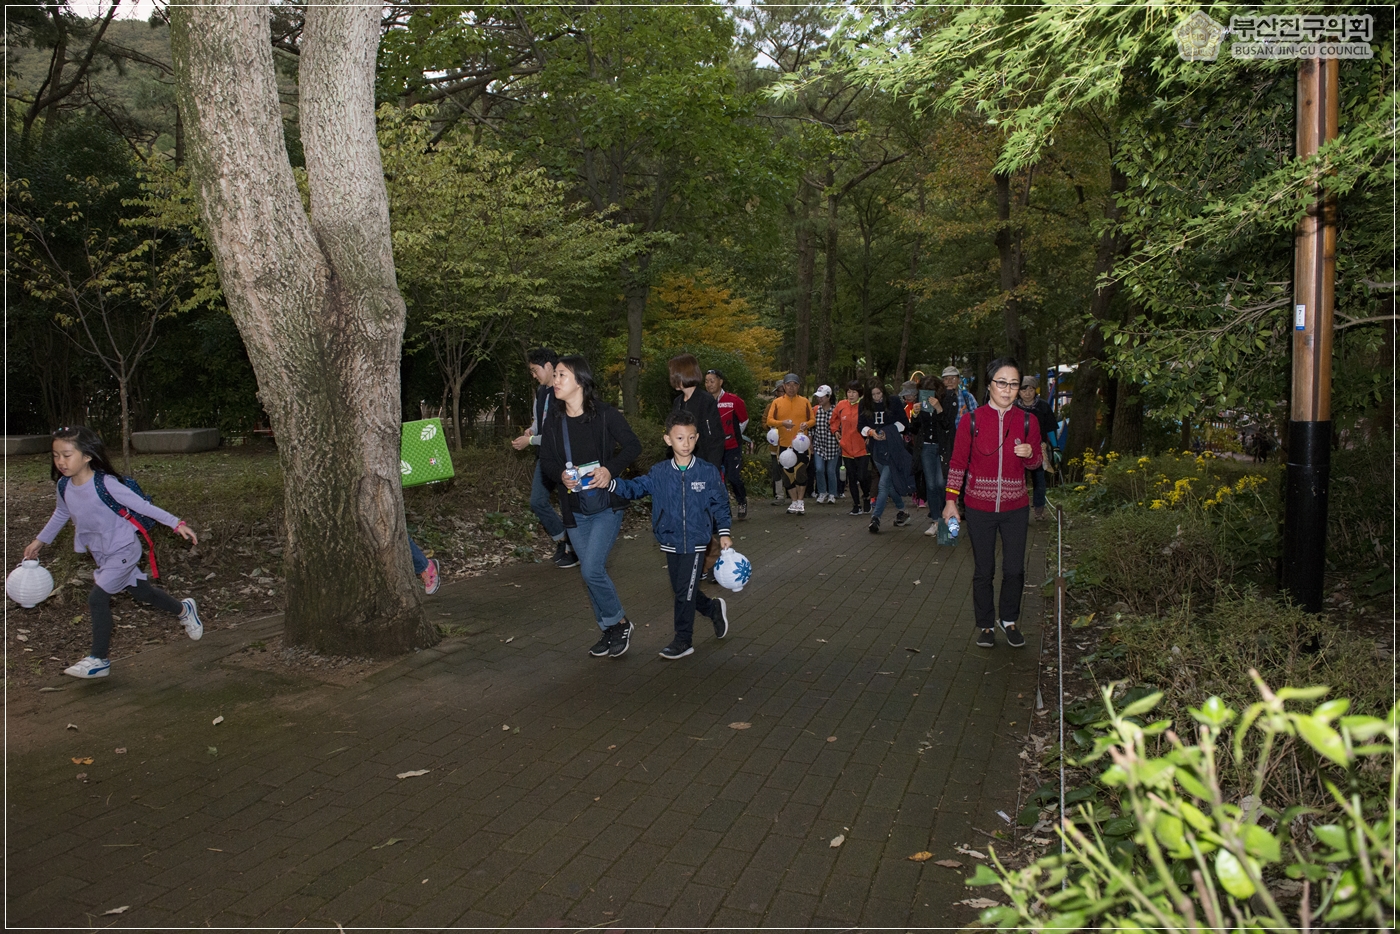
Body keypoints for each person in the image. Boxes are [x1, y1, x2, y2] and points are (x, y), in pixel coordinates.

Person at [24, 426, 203, 679]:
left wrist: (177, 523)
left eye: (67, 455)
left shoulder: (106, 484)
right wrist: (39, 541)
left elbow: (143, 506)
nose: (60, 462)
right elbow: (62, 513)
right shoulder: (64, 485)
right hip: (101, 553)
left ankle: (98, 659)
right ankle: (184, 610)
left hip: (124, 548)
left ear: (87, 456)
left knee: (97, 598)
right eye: (55, 456)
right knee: (143, 593)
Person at [539, 355, 643, 658]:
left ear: (580, 381)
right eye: (555, 375)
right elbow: (546, 461)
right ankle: (609, 628)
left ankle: (620, 623)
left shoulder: (606, 415)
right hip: (574, 509)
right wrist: (560, 475)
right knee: (589, 572)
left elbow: (633, 446)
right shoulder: (554, 420)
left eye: (562, 375)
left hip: (606, 505)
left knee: (592, 569)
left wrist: (610, 469)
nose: (555, 380)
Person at [608, 410, 734, 659]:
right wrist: (611, 484)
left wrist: (724, 532)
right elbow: (636, 488)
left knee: (684, 592)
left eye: (690, 437)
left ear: (697, 438)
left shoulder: (707, 472)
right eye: (679, 438)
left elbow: (720, 502)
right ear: (668, 439)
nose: (686, 444)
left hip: (697, 542)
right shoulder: (660, 472)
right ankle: (712, 609)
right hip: (670, 539)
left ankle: (683, 640)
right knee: (682, 590)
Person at [942, 357, 1043, 649]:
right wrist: (951, 501)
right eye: (1002, 383)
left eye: (1014, 384)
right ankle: (985, 624)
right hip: (978, 507)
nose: (1008, 389)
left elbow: (1037, 462)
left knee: (1014, 570)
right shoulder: (971, 420)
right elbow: (958, 463)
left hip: (1015, 507)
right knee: (983, 570)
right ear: (989, 385)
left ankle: (1008, 620)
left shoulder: (1028, 421)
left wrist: (1030, 454)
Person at [511, 347, 577, 568]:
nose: (533, 375)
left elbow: (556, 433)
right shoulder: (541, 392)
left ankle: (574, 549)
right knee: (537, 501)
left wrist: (530, 441)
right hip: (546, 458)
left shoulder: (562, 392)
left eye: (534, 370)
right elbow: (539, 422)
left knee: (569, 504)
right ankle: (563, 540)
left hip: (563, 458)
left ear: (548, 366)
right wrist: (531, 430)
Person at [860, 384, 913, 533]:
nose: (877, 397)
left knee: (883, 484)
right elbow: (861, 425)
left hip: (892, 449)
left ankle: (875, 518)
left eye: (879, 393)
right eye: (873, 395)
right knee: (889, 485)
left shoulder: (893, 401)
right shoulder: (864, 404)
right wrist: (871, 432)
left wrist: (887, 432)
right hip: (876, 450)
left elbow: (904, 423)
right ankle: (903, 510)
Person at [765, 373, 816, 514]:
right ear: (784, 386)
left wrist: (806, 424)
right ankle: (793, 501)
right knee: (787, 476)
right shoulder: (777, 403)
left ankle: (800, 501)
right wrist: (782, 423)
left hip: (801, 445)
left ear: (798, 387)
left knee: (800, 473)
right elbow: (769, 420)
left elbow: (813, 420)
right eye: (788, 385)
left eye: (794, 385)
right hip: (784, 444)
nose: (791, 387)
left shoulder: (805, 401)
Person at [915, 374, 958, 536]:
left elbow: (948, 424)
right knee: (931, 485)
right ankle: (935, 521)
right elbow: (915, 428)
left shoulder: (949, 399)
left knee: (941, 483)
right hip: (927, 447)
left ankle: (946, 518)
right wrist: (915, 414)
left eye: (930, 391)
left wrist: (939, 409)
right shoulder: (921, 401)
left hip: (943, 447)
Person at [705, 368, 749, 519]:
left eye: (712, 381)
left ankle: (741, 501)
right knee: (717, 479)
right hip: (713, 449)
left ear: (720, 382)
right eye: (706, 381)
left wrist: (734, 434)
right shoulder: (704, 401)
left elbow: (744, 420)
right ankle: (725, 509)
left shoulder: (734, 400)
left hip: (732, 446)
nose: (709, 384)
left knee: (733, 477)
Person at [669, 354, 724, 469]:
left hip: (702, 465)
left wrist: (712, 469)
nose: (672, 378)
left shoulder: (706, 401)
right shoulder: (678, 402)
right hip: (680, 465)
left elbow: (715, 439)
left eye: (674, 374)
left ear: (684, 374)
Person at [1016, 375, 1056, 520]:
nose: (1027, 393)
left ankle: (1039, 509)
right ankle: (1020, 510)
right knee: (1019, 481)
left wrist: (1056, 447)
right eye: (1024, 390)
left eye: (1031, 390)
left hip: (1039, 448)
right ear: (1019, 391)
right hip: (1017, 449)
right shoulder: (1013, 407)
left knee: (1039, 480)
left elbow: (1050, 428)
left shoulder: (1043, 406)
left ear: (1035, 391)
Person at [830, 381, 870, 515]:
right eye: (848, 392)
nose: (851, 395)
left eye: (854, 392)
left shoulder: (865, 405)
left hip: (862, 447)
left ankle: (866, 496)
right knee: (852, 477)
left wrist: (870, 434)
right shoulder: (841, 405)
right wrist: (835, 430)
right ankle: (856, 505)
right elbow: (834, 419)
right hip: (846, 447)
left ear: (859, 393)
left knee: (862, 476)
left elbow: (871, 421)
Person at [810, 385, 840, 503]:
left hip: (833, 446)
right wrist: (810, 443)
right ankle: (822, 492)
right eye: (818, 397)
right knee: (819, 469)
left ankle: (832, 493)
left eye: (822, 397)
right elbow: (812, 428)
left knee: (831, 471)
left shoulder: (836, 410)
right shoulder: (815, 410)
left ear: (829, 397)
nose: (820, 399)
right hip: (819, 445)